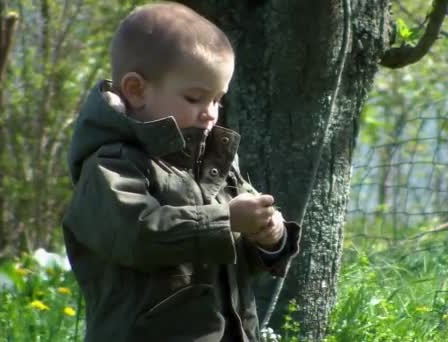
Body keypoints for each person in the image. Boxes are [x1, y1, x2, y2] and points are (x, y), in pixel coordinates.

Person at [62, 2, 300, 341]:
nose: (210, 114)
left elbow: (231, 255)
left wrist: (267, 236)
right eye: (194, 98)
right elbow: (139, 236)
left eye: (218, 100)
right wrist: (227, 220)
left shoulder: (214, 162)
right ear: (137, 90)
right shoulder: (110, 165)